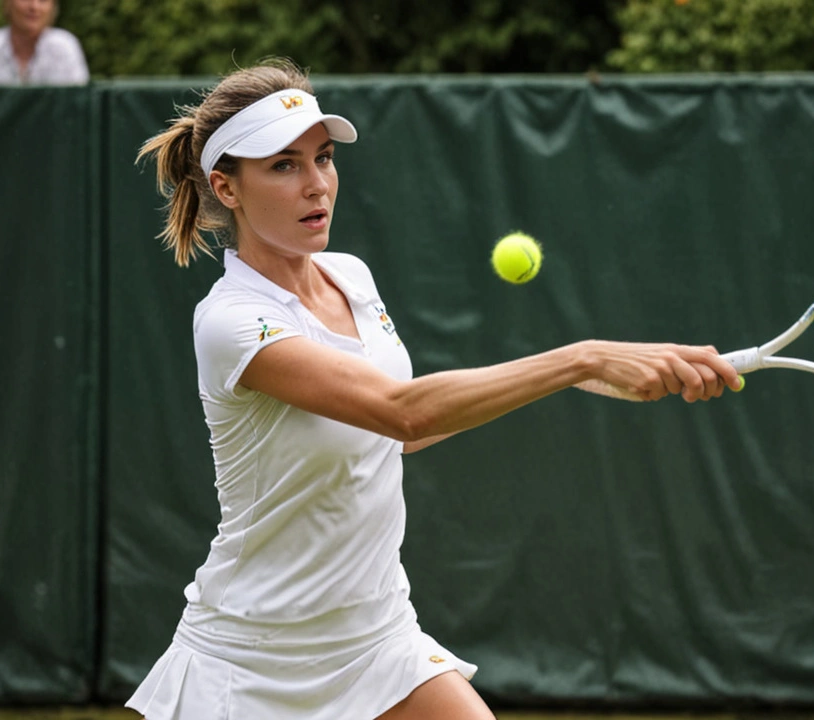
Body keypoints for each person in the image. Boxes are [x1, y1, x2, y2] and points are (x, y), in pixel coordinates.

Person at [126, 58, 741, 720]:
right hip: (251, 657)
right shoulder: (230, 322)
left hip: (374, 634)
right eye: (284, 166)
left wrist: (573, 381)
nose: (317, 185)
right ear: (227, 187)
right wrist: (582, 360)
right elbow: (402, 414)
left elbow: (397, 432)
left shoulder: (351, 277)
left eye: (324, 158)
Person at [0, 0, 86, 85]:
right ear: (8, 3)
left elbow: (77, 106)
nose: (34, 7)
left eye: (43, 0)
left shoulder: (65, 48)